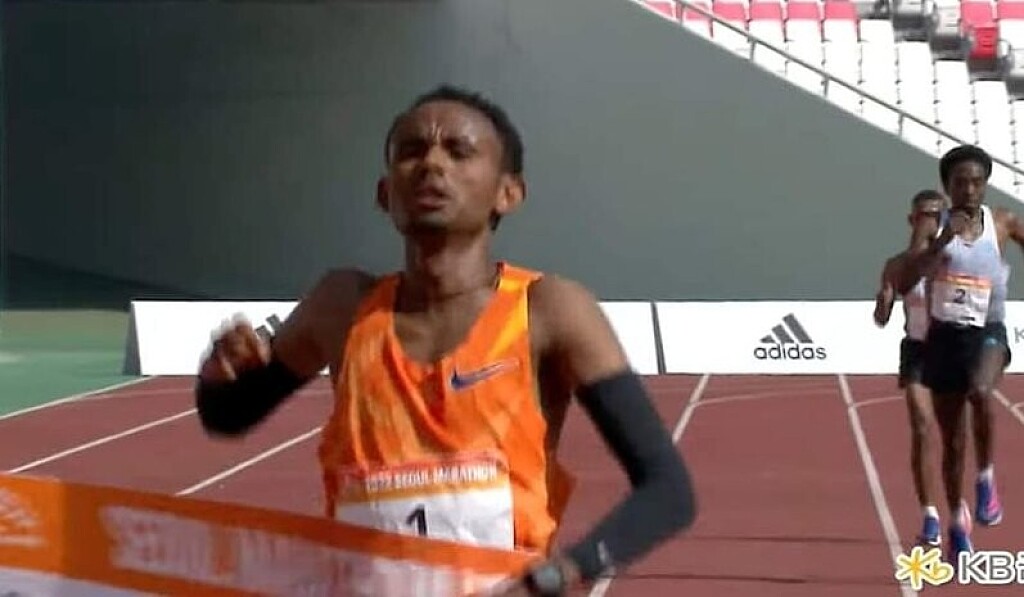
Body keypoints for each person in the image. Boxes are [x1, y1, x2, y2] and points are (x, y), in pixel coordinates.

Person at [193, 85, 697, 596]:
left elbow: (668, 491)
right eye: (411, 151)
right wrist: (217, 375)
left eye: (459, 151)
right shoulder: (342, 307)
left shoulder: (548, 311)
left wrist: (555, 576)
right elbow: (227, 416)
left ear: (508, 193)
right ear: (385, 193)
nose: (432, 164)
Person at [899, 145, 1015, 559]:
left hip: (988, 331)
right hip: (945, 340)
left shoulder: (1001, 223)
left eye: (976, 183)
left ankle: (985, 479)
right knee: (952, 444)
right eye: (960, 183)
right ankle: (955, 520)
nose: (969, 190)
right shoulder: (933, 227)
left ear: (985, 185)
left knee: (981, 392)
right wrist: (942, 242)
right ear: (947, 187)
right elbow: (907, 277)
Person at [873, 189, 947, 547]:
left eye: (936, 215)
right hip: (917, 350)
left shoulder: (954, 260)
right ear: (912, 220)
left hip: (952, 350)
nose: (930, 221)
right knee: (922, 425)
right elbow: (881, 319)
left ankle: (957, 504)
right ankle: (930, 514)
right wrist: (884, 302)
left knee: (953, 437)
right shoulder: (897, 265)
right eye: (924, 215)